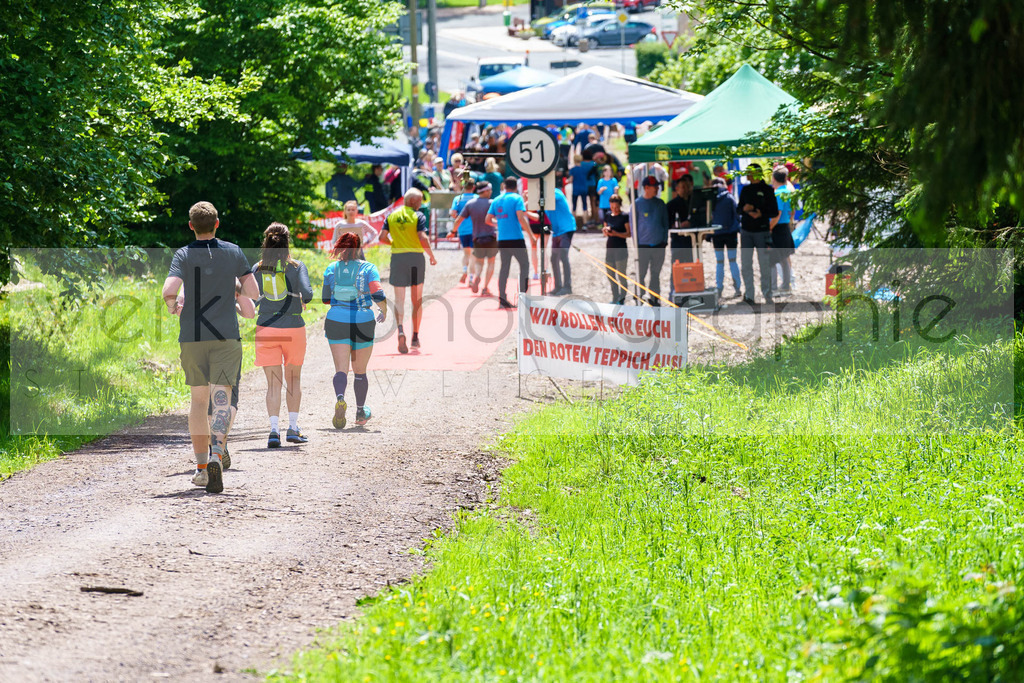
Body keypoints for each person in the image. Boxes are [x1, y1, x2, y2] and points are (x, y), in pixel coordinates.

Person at [162, 201, 259, 494]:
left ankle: (202, 468)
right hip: (226, 337)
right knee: (222, 399)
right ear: (217, 224)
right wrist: (235, 286)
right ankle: (218, 454)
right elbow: (253, 292)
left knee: (198, 402)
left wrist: (173, 305)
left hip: (192, 337)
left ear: (191, 226)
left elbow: (169, 290)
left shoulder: (183, 254)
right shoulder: (233, 251)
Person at [252, 223, 313, 448]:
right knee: (294, 379)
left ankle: (274, 431)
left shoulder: (258, 268)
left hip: (266, 329)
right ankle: (293, 428)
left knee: (273, 384)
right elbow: (307, 294)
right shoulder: (296, 266)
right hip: (293, 328)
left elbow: (250, 296)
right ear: (288, 242)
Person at [323, 232, 387, 429]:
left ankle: (340, 398)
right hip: (362, 320)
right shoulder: (368, 268)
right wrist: (383, 310)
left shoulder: (331, 268)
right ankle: (360, 412)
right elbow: (377, 292)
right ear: (359, 248)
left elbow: (326, 298)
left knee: (340, 369)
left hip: (336, 320)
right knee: (360, 371)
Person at [379, 188, 437, 353]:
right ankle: (415, 337)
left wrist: (395, 244)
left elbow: (382, 237)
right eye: (419, 201)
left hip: (398, 258)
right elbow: (422, 237)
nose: (421, 204)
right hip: (415, 258)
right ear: (413, 201)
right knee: (416, 299)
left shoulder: (392, 216)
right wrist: (431, 255)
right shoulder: (418, 216)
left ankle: (400, 330)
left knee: (399, 299)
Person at [487, 178, 535, 309]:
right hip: (516, 238)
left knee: (504, 268)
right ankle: (523, 299)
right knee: (524, 266)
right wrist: (531, 235)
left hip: (502, 239)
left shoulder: (497, 200)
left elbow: (488, 219)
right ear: (515, 187)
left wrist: (500, 223)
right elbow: (521, 217)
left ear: (504, 186)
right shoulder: (517, 198)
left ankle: (502, 299)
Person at [738, 163, 779, 305]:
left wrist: (760, 212)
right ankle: (749, 295)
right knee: (746, 264)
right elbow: (738, 210)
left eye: (750, 172)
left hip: (762, 231)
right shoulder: (745, 190)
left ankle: (767, 294)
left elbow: (774, 211)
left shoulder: (767, 190)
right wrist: (745, 209)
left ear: (757, 174)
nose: (747, 175)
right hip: (746, 231)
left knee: (765, 264)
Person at [454, 181, 497, 296]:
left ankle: (477, 276)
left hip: (477, 237)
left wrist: (452, 231)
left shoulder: (470, 204)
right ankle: (485, 287)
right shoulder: (492, 203)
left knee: (479, 261)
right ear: (486, 191)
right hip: (490, 236)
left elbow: (458, 219)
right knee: (491, 262)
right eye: (490, 190)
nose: (491, 192)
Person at [634, 176, 670, 305]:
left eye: (657, 186)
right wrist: (636, 244)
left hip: (658, 246)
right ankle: (639, 299)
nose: (657, 189)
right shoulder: (637, 204)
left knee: (655, 274)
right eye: (655, 186)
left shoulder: (660, 204)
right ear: (646, 188)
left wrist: (664, 241)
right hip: (642, 246)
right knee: (641, 274)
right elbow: (633, 227)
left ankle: (655, 299)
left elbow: (666, 224)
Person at [709, 177, 742, 298]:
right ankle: (738, 287)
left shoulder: (710, 199)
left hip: (716, 234)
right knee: (733, 261)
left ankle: (719, 288)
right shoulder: (729, 197)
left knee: (719, 262)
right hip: (731, 233)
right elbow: (737, 215)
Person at [769, 166, 796, 295]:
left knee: (772, 259)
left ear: (774, 178)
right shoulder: (789, 191)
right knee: (784, 259)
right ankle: (786, 285)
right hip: (785, 227)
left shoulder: (778, 193)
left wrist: (768, 228)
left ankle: (773, 288)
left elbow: (776, 214)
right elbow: (792, 211)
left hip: (777, 228)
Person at [602, 194, 631, 304]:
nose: (615, 209)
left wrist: (616, 233)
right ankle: (615, 297)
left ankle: (622, 299)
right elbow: (605, 231)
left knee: (621, 276)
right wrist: (606, 231)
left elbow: (628, 234)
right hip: (610, 249)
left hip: (621, 249)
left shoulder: (624, 216)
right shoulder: (608, 215)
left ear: (620, 205)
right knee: (610, 275)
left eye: (617, 207)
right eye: (612, 207)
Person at [450, 174, 478, 284]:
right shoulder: (476, 198)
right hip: (475, 229)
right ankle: (471, 277)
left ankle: (465, 270)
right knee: (473, 254)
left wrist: (458, 219)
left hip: (462, 229)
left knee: (466, 253)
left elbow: (453, 213)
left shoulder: (458, 198)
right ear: (473, 187)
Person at [548, 187, 576, 296]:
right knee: (554, 258)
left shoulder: (556, 193)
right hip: (557, 231)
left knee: (563, 256)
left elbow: (547, 199)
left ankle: (567, 286)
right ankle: (558, 285)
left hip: (567, 228)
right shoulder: (544, 198)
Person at [666, 175, 694, 271]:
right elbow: (667, 223)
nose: (685, 189)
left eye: (687, 186)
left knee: (692, 266)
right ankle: (674, 285)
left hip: (692, 240)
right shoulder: (671, 205)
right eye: (683, 187)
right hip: (678, 241)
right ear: (677, 189)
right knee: (677, 267)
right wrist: (677, 225)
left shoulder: (693, 202)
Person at [569, 154, 590, 218]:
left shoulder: (573, 169)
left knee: (574, 206)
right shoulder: (585, 169)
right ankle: (585, 221)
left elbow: (571, 179)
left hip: (576, 189)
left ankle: (574, 221)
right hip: (584, 188)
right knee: (585, 205)